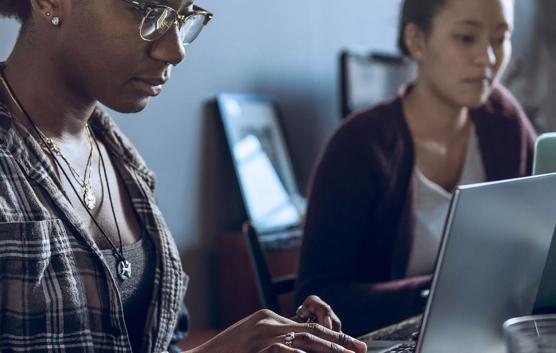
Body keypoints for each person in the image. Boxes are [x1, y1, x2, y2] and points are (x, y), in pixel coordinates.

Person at [0, 1, 368, 353]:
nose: (175, 51)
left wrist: (267, 343)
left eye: (184, 17)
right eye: (148, 10)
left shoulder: (124, 162)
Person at [295, 0, 536, 337]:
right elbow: (319, 299)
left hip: (483, 335)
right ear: (417, 41)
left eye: (500, 38)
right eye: (466, 38)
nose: (489, 58)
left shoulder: (505, 123)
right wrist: (443, 291)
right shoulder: (359, 145)